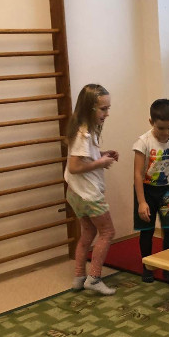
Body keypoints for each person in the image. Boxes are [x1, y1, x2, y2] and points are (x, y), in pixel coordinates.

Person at [65, 83, 118, 295]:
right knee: (108, 232)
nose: (107, 113)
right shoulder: (83, 135)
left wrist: (102, 154)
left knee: (88, 232)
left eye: (108, 108)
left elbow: (84, 158)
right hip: (88, 194)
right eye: (103, 109)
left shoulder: (85, 130)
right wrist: (101, 163)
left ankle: (79, 277)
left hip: (76, 193)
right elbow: (74, 166)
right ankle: (94, 278)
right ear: (90, 108)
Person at [132, 99, 169, 283]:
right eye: (161, 128)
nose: (166, 132)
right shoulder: (143, 142)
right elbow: (138, 174)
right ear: (151, 122)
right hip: (146, 191)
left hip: (166, 192)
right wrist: (141, 202)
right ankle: (147, 266)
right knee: (147, 230)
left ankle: (168, 266)